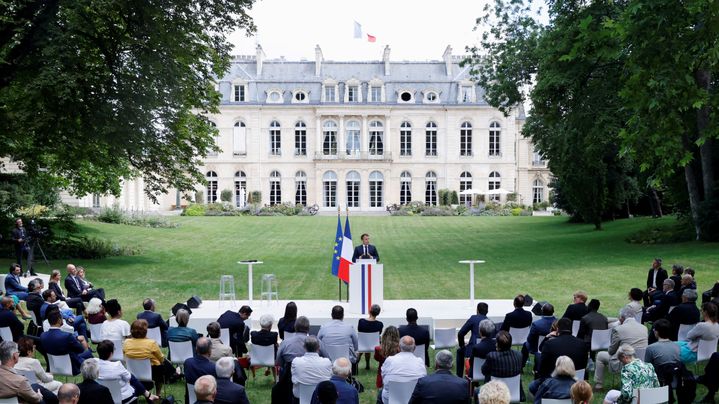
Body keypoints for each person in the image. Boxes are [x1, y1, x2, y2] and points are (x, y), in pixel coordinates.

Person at [594, 307, 648, 391]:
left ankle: (598, 385)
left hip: (626, 361)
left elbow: (611, 351)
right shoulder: (644, 328)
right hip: (642, 360)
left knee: (600, 355)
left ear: (622, 318)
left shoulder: (618, 329)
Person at [123, 319, 172, 395]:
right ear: (145, 331)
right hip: (151, 372)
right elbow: (161, 359)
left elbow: (125, 357)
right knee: (162, 366)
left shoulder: (126, 342)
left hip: (132, 372)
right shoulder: (151, 343)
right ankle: (158, 394)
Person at [535, 317, 588, 387]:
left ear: (557, 329)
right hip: (577, 380)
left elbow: (542, 368)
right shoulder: (582, 344)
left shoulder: (549, 344)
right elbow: (584, 364)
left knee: (532, 387)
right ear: (571, 329)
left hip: (553, 381)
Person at [40, 310, 93, 376]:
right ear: (59, 320)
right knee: (89, 353)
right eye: (62, 318)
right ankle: (90, 381)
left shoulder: (43, 335)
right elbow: (80, 349)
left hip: (53, 366)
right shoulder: (67, 336)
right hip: (71, 367)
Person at [380, 336, 426, 404]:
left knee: (381, 393)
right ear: (414, 348)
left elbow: (383, 377)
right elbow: (423, 381)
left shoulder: (390, 360)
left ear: (398, 348)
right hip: (414, 401)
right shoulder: (420, 362)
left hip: (391, 400)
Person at [482, 330, 524, 400]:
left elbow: (484, 371)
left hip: (494, 393)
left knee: (477, 392)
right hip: (514, 392)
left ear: (498, 345)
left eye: (496, 343)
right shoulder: (519, 355)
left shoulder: (492, 356)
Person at [291, 336, 332, 400]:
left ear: (304, 347)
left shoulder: (296, 361)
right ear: (318, 347)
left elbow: (294, 379)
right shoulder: (327, 362)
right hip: (322, 395)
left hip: (300, 394)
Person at [456, 302, 488, 377]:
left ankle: (459, 376)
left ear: (477, 310)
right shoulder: (490, 321)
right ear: (487, 311)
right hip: (487, 350)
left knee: (459, 351)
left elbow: (461, 333)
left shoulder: (474, 318)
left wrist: (462, 346)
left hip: (473, 350)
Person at [522, 302, 555, 370]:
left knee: (525, 345)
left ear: (542, 312)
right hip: (554, 347)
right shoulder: (558, 322)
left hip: (537, 349)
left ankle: (521, 366)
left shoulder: (536, 324)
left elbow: (529, 339)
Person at [357, 304, 383, 370]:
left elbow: (359, 330)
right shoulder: (380, 324)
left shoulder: (361, 322)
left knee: (364, 343)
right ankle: (367, 365)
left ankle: (355, 366)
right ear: (378, 313)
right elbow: (379, 333)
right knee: (368, 342)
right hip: (374, 345)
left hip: (362, 344)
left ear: (369, 311)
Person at [374, 325, 400, 390]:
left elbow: (376, 358)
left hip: (382, 377)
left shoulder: (378, 349)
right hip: (397, 376)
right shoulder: (399, 349)